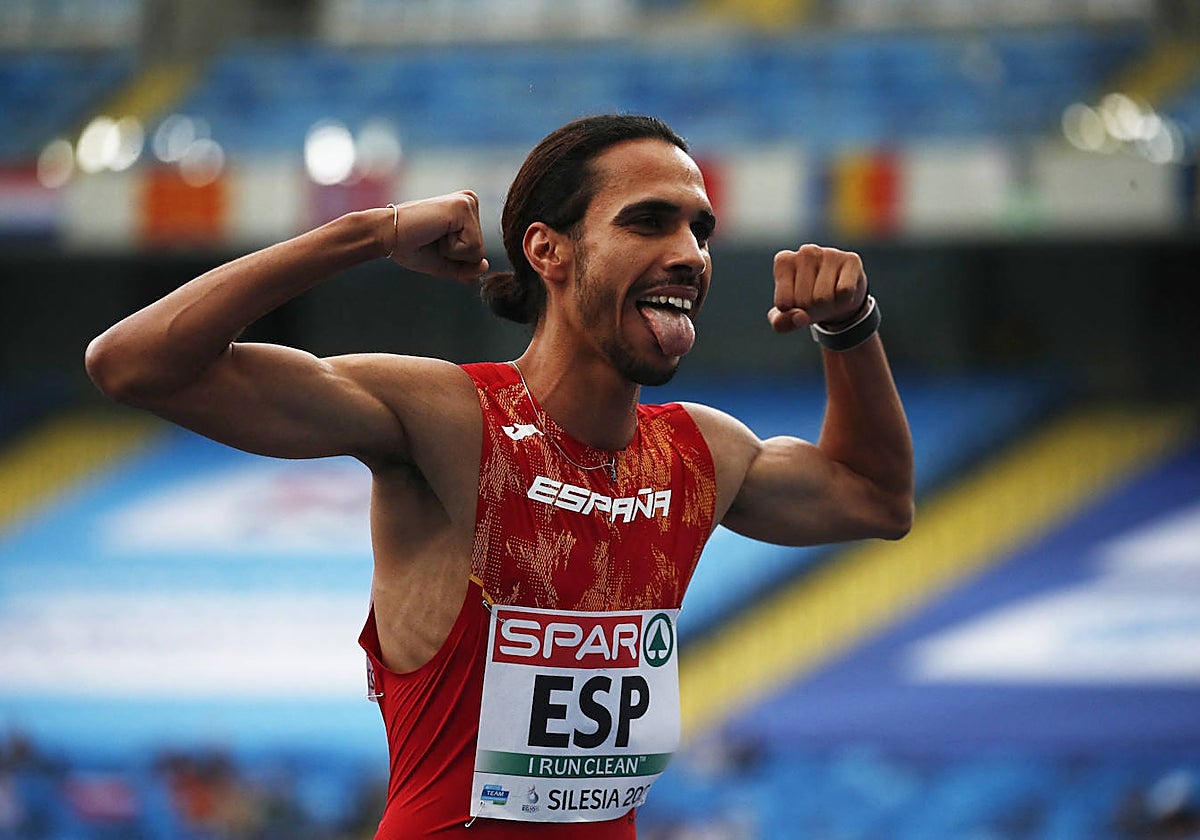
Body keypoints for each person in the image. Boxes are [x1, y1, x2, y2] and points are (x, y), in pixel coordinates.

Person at [86, 114, 913, 837]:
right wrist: (369, 233)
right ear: (547, 250)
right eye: (650, 222)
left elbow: (874, 498)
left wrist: (850, 327)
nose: (689, 254)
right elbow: (135, 366)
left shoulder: (703, 452)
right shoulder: (442, 416)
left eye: (700, 229)